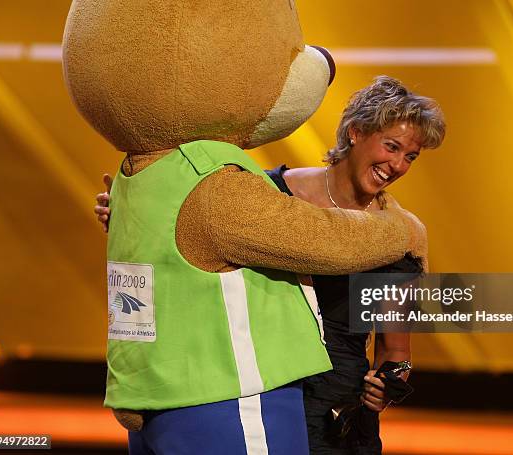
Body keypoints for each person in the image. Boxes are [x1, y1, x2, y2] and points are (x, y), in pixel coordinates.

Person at [95, 76, 445, 454]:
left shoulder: (398, 235)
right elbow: (192, 230)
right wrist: (130, 216)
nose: (396, 165)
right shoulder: (268, 194)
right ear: (357, 132)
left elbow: (396, 354)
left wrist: (387, 387)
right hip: (262, 394)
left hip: (337, 416)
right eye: (391, 147)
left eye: (410, 156)